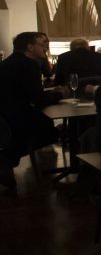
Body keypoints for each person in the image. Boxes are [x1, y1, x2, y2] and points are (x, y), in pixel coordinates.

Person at [0, 32, 64, 190]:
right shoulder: (29, 65)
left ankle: (6, 160)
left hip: (5, 117)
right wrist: (59, 94)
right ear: (29, 47)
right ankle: (5, 161)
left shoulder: (7, 62)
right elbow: (38, 99)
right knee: (51, 132)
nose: (45, 48)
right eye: (41, 45)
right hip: (19, 118)